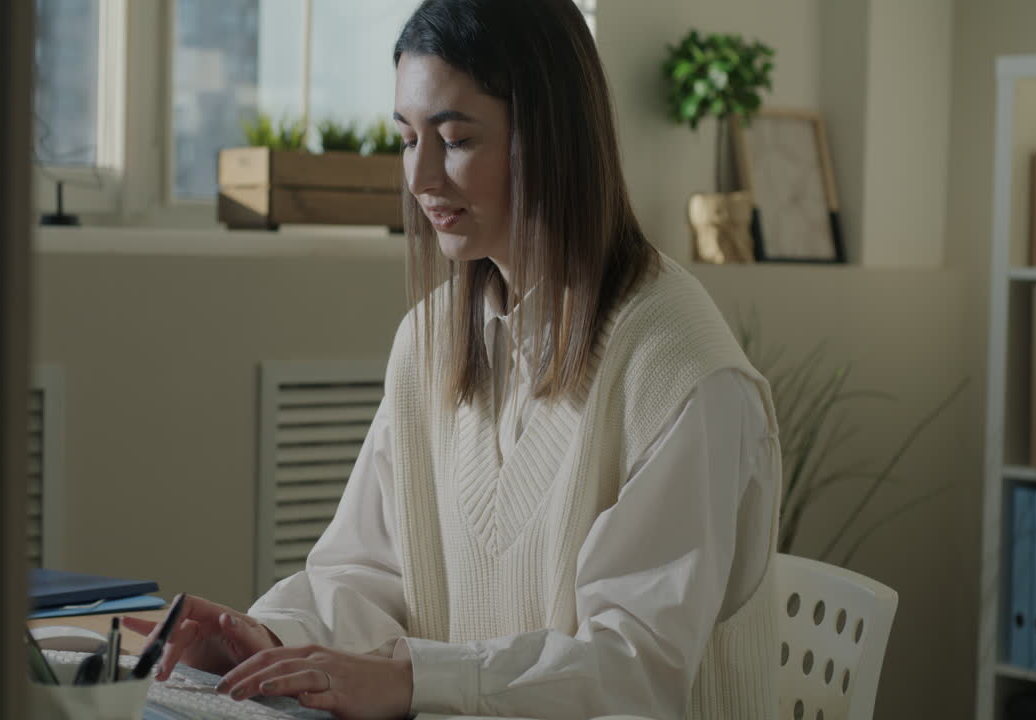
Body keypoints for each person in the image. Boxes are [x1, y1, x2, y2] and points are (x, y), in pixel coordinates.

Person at [124, 1, 781, 718]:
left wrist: (410, 680)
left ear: (551, 139)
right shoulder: (429, 341)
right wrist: (268, 639)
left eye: (457, 139)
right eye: (407, 140)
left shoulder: (685, 377)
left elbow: (633, 671)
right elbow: (365, 572)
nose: (422, 178)